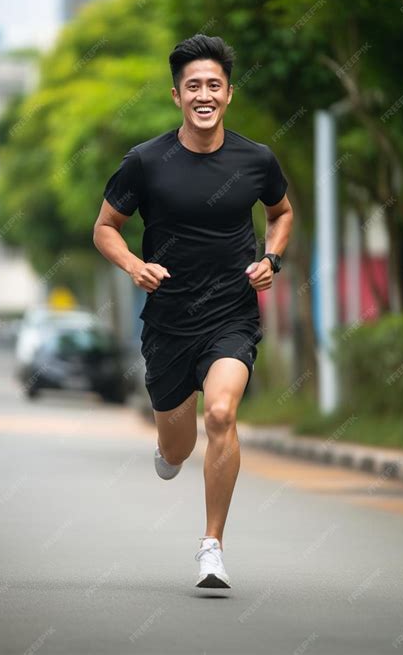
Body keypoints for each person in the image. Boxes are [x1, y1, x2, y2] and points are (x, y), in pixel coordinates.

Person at [93, 34, 293, 589]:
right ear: (177, 95)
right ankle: (167, 445)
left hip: (231, 314)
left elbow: (282, 212)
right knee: (177, 445)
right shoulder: (146, 161)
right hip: (168, 322)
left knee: (223, 414)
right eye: (193, 86)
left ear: (228, 93)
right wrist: (135, 266)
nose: (204, 95)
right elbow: (104, 228)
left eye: (214, 85)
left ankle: (212, 547)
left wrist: (271, 258)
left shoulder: (256, 159)